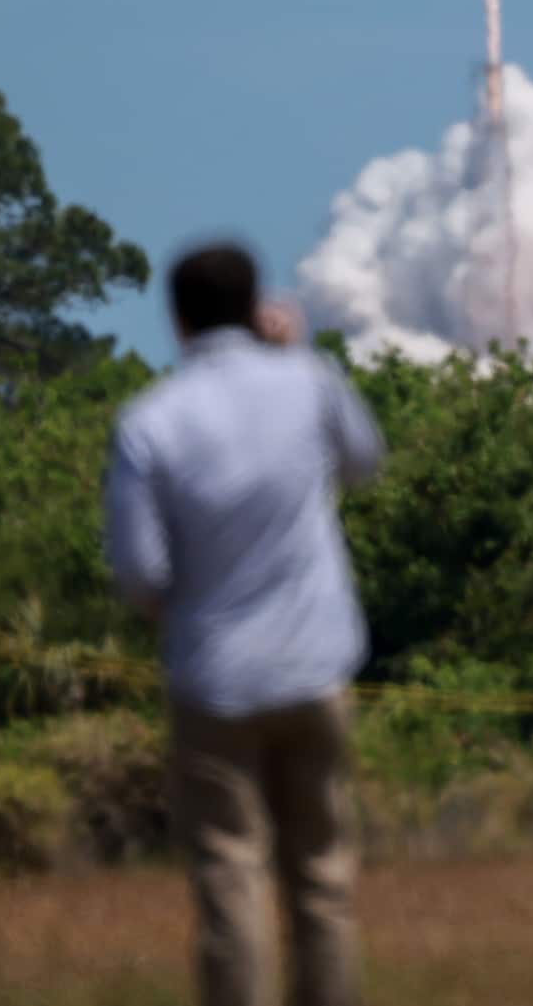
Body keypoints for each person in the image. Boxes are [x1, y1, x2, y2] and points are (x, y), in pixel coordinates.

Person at [103, 242, 384, 1006]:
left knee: (231, 883)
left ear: (177, 318)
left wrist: (192, 614)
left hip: (213, 682)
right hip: (315, 671)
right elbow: (364, 460)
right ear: (259, 303)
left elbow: (140, 572)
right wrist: (300, 353)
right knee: (322, 882)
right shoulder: (307, 383)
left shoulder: (149, 421)